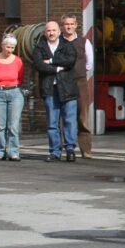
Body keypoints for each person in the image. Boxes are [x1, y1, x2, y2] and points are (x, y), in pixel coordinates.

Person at [31, 20, 78, 162]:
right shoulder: (39, 48)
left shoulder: (68, 45)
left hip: (68, 88)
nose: (51, 33)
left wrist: (51, 61)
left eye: (54, 30)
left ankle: (70, 149)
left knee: (69, 120)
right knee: (52, 122)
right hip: (49, 88)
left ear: (59, 32)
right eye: (48, 31)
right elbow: (39, 65)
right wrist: (57, 68)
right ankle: (54, 151)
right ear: (45, 33)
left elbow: (70, 61)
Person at [0, 34, 25, 161]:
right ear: (2, 46)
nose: (10, 50)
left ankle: (14, 152)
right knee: (1, 125)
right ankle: (0, 151)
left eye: (12, 48)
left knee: (13, 125)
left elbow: (20, 77)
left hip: (15, 92)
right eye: (8, 47)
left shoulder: (18, 61)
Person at [61, 13, 94, 159]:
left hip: (80, 82)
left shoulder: (84, 42)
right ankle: (67, 149)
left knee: (83, 116)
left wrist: (79, 71)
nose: (69, 27)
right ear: (62, 26)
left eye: (71, 24)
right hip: (63, 82)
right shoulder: (58, 42)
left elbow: (89, 62)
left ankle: (86, 150)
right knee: (65, 116)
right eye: (66, 24)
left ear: (76, 25)